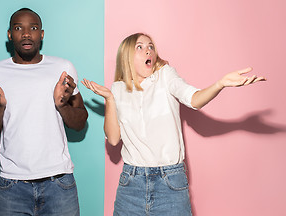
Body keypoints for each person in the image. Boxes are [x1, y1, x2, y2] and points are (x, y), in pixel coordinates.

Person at [82, 32, 265, 215]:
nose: (148, 51)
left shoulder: (165, 76)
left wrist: (220, 84)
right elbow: (113, 139)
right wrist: (110, 100)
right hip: (131, 183)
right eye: (140, 47)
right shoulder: (117, 89)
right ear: (126, 56)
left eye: (151, 47)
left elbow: (194, 99)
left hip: (170, 182)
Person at [0, 8, 88, 216]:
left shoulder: (62, 68)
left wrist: (62, 103)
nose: (26, 34)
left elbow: (80, 123)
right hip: (13, 186)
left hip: (59, 183)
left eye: (33, 28)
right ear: (10, 35)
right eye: (19, 28)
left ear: (41, 34)